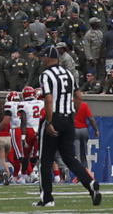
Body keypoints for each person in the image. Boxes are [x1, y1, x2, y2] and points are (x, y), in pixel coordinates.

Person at [36, 45, 100, 206]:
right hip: (68, 119)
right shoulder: (69, 74)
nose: (42, 59)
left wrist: (50, 121)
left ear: (49, 58)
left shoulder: (46, 75)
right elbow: (79, 96)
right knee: (70, 158)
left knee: (45, 160)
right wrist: (72, 114)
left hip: (55, 117)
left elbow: (49, 100)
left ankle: (47, 198)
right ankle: (89, 183)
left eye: (44, 56)